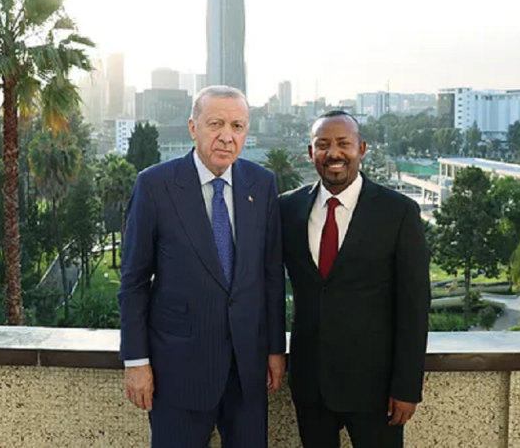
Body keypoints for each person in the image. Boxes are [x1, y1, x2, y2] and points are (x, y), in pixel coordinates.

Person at [119, 86, 286, 448]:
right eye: (216, 124)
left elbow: (272, 276)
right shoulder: (155, 185)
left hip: (248, 372)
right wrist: (135, 361)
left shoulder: (262, 184)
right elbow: (133, 282)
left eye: (238, 126)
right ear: (193, 127)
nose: (227, 136)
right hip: (178, 372)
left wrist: (276, 350)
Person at [280, 110, 430, 448]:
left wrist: (407, 387)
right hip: (311, 385)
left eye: (343, 144)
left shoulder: (398, 212)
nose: (333, 153)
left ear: (361, 149)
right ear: (311, 152)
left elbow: (414, 306)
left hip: (376, 389)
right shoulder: (287, 209)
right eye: (323, 145)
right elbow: (268, 285)